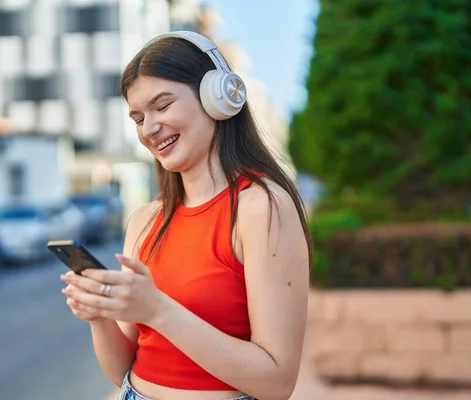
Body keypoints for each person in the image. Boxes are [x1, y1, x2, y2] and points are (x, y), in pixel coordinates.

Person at [60, 31, 312, 400]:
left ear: (217, 98)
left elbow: (277, 382)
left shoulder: (261, 206)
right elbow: (121, 372)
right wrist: (99, 317)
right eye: (138, 117)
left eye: (162, 106)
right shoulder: (144, 221)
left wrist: (158, 310)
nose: (149, 129)